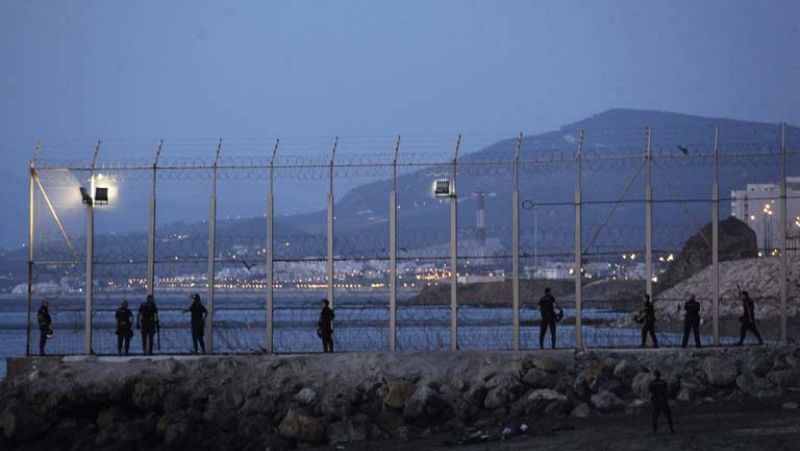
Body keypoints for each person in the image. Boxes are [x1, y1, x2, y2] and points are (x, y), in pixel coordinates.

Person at [649, 369, 675, 434]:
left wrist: (654, 400)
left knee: (655, 416)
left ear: (654, 375)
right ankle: (671, 429)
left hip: (656, 401)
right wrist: (664, 398)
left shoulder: (652, 383)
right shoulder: (663, 382)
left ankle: (654, 430)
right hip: (663, 401)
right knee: (668, 415)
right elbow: (666, 392)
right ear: (659, 375)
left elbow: (650, 392)